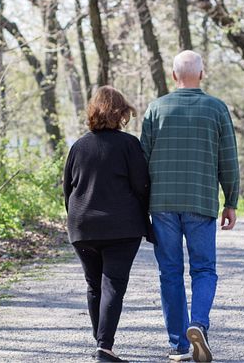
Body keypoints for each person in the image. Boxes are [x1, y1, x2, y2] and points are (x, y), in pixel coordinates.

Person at [140, 50, 240, 362]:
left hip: (163, 204)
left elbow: (141, 161)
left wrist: (141, 204)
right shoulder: (216, 108)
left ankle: (179, 344)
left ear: (173, 76)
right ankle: (198, 324)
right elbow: (229, 160)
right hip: (201, 200)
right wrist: (231, 201)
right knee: (204, 268)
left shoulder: (156, 108)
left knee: (169, 271)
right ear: (202, 74)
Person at [63, 86, 154, 363]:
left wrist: (76, 217)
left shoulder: (78, 146)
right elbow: (142, 186)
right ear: (121, 113)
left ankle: (102, 343)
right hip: (121, 228)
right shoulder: (129, 145)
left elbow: (67, 189)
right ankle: (104, 346)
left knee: (94, 285)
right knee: (113, 283)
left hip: (83, 227)